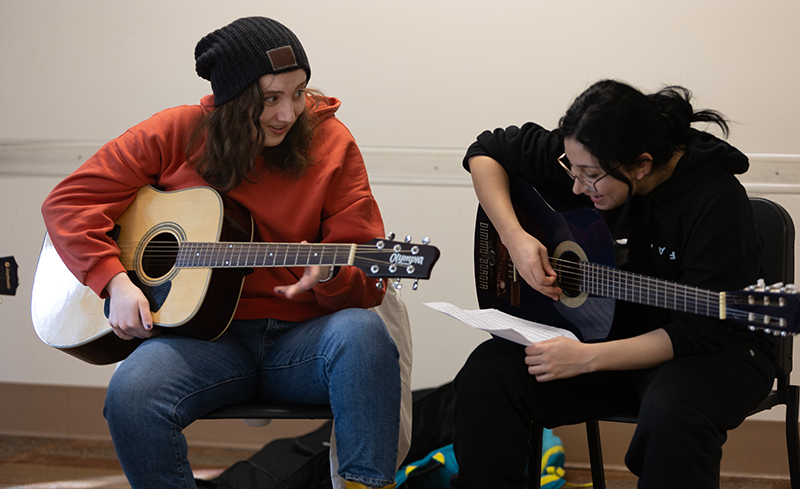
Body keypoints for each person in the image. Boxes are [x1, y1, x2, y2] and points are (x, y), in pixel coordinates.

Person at [41, 17, 403, 489]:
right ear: (232, 100)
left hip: (303, 342)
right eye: (269, 98)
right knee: (131, 393)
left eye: (298, 93)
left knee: (364, 334)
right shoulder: (176, 132)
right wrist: (114, 279)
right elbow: (69, 202)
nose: (287, 113)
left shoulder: (332, 143)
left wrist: (334, 272)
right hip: (204, 343)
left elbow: (366, 280)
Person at [449, 79, 777, 489]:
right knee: (488, 374)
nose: (575, 186)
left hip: (710, 352)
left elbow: (700, 333)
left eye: (589, 177)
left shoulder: (715, 199)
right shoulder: (589, 150)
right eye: (572, 169)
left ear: (640, 165)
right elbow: (486, 152)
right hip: (605, 330)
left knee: (672, 412)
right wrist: (515, 238)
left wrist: (585, 358)